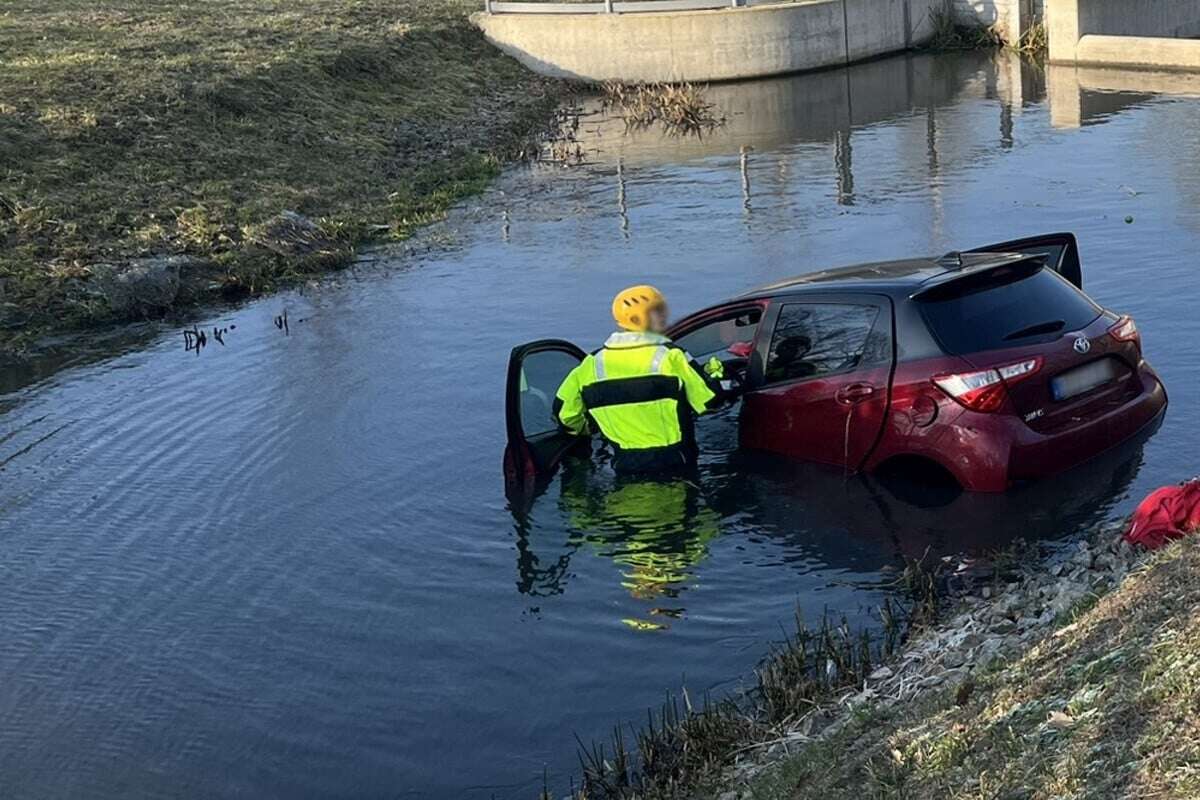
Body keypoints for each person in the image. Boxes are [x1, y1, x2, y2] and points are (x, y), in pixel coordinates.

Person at [554, 285, 729, 474]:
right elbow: (708, 401)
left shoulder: (591, 364)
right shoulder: (671, 357)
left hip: (623, 464)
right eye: (659, 311)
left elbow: (565, 414)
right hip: (675, 462)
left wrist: (588, 429)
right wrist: (715, 376)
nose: (665, 316)